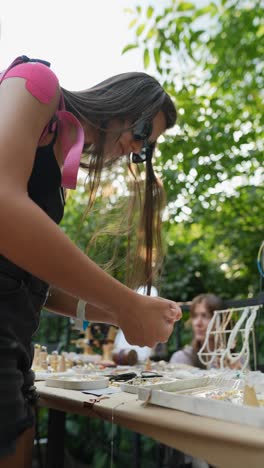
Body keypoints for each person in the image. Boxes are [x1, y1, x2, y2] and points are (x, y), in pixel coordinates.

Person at [0, 55, 182, 466]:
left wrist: (118, 315)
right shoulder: (36, 83)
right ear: (121, 102)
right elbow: (3, 208)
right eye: (142, 133)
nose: (137, 149)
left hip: (14, 351)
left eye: (145, 149)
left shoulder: (55, 180)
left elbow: (29, 276)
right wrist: (126, 303)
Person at [170, 293, 223, 369]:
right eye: (195, 316)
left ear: (220, 321)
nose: (198, 323)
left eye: (205, 316)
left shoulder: (236, 359)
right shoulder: (182, 358)